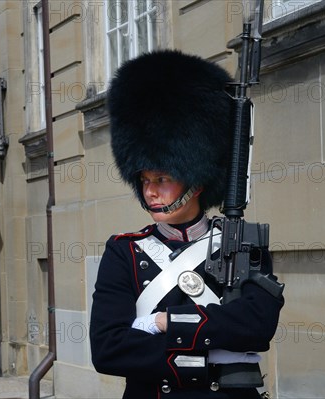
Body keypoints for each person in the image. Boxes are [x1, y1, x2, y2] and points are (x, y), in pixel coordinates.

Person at [90, 49, 284, 399]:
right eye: (144, 180)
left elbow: (258, 326)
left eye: (162, 178)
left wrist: (166, 323)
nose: (150, 191)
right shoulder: (124, 251)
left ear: (195, 181)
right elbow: (109, 348)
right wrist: (210, 352)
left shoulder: (242, 242)